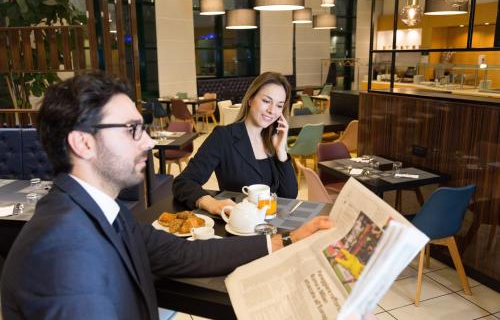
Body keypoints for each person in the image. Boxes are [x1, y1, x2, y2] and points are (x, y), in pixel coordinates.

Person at [1, 72, 332, 320]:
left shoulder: (102, 212)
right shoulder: (63, 256)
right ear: (83, 143)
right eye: (132, 130)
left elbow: (183, 254)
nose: (148, 142)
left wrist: (287, 241)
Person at [173, 72, 297, 215]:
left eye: (279, 105)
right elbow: (183, 182)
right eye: (266, 101)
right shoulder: (224, 137)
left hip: (270, 226)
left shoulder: (273, 140)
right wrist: (210, 203)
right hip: (240, 227)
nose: (272, 110)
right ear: (250, 99)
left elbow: (289, 196)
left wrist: (281, 152)